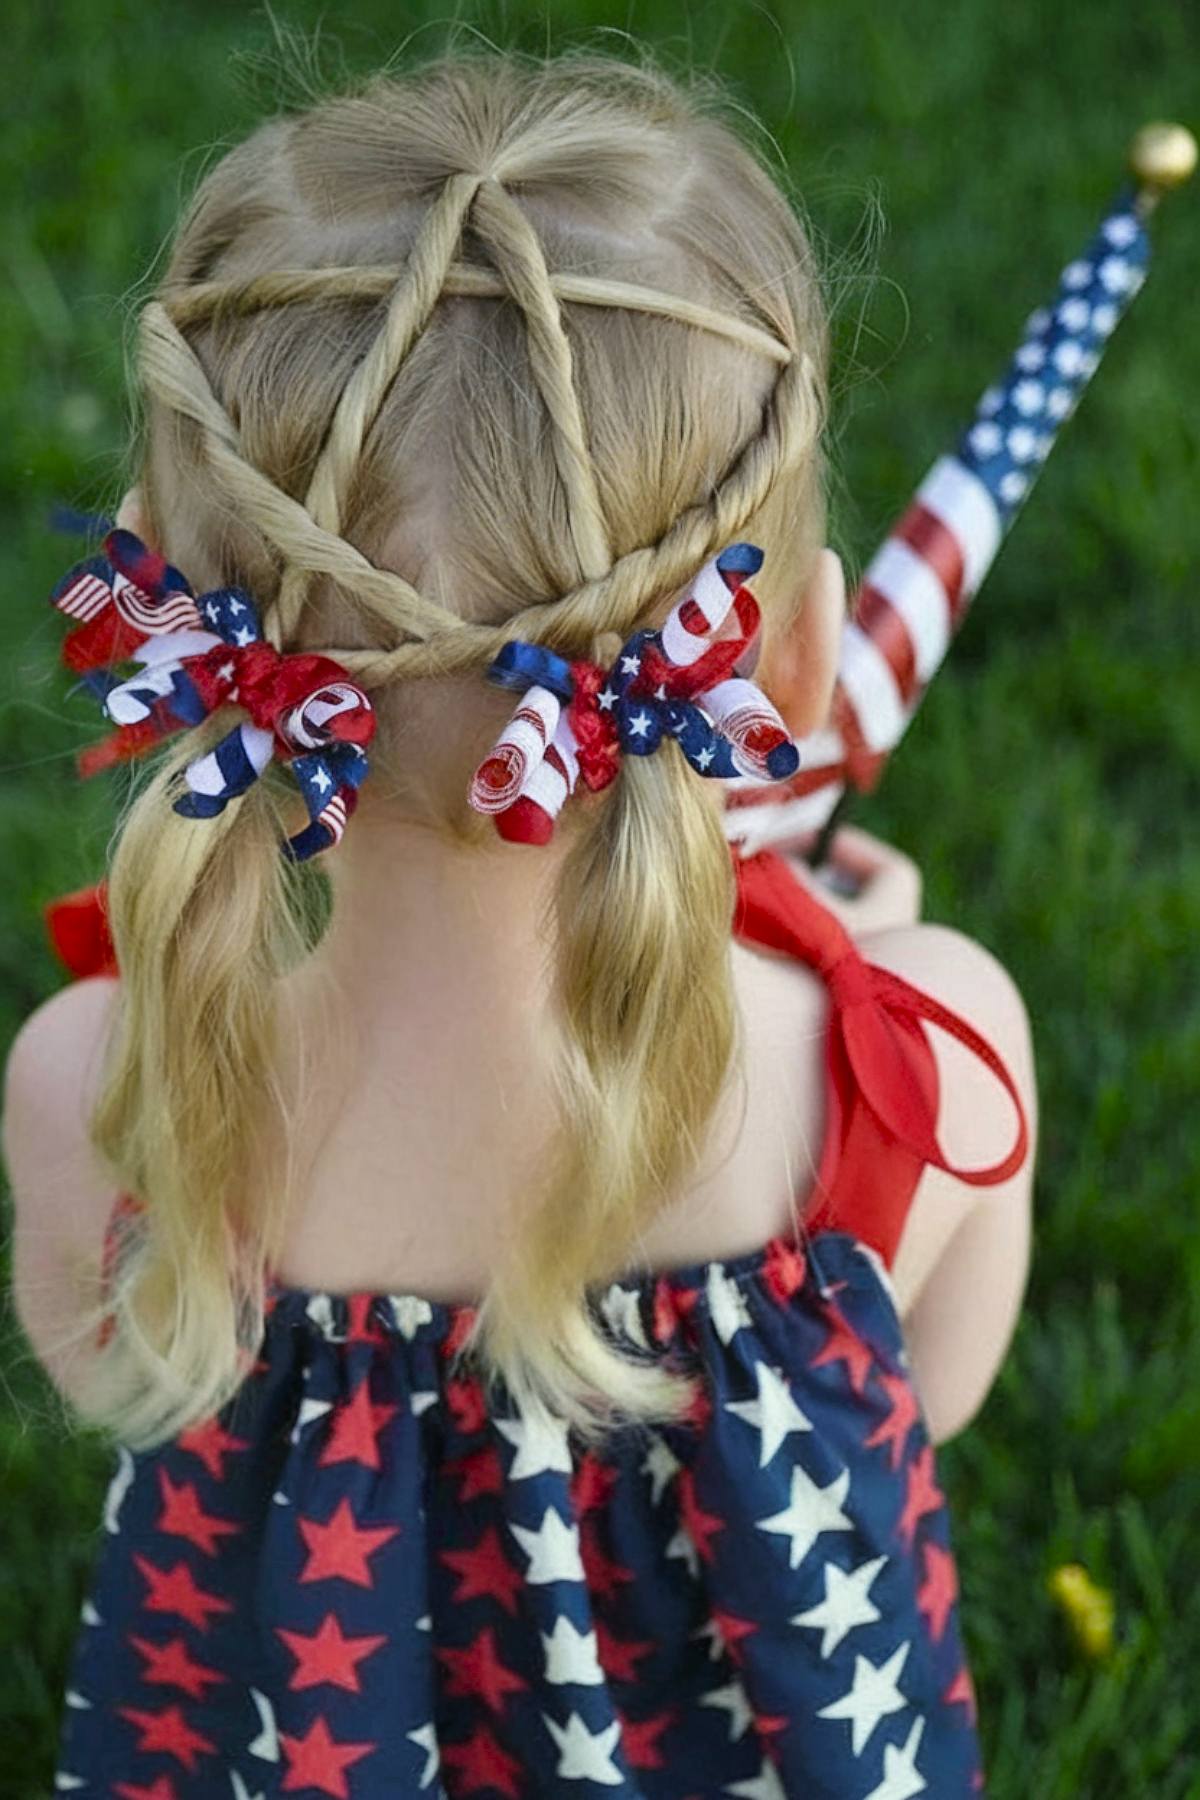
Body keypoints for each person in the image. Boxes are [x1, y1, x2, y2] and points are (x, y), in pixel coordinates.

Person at [2, 46, 1036, 1798]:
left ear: (185, 638)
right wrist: (853, 970)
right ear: (792, 660)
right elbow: (921, 1408)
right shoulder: (921, 1064)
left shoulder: (100, 1083)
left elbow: (95, 1351)